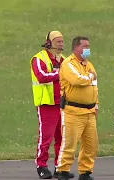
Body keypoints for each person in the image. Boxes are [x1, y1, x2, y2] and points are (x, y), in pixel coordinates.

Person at [29, 31, 73, 179]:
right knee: (46, 137)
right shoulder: (39, 58)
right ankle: (41, 166)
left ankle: (59, 167)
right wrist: (61, 74)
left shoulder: (65, 60)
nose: (61, 44)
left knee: (62, 138)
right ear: (49, 42)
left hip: (61, 103)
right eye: (58, 41)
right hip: (46, 103)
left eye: (62, 41)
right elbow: (41, 76)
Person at [57, 36, 99, 180]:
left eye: (89, 46)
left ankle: (85, 172)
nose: (88, 49)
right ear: (76, 48)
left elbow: (95, 86)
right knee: (69, 143)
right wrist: (90, 77)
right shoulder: (68, 64)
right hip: (73, 111)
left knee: (91, 144)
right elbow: (76, 79)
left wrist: (96, 104)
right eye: (85, 46)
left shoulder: (89, 64)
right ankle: (63, 170)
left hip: (89, 111)